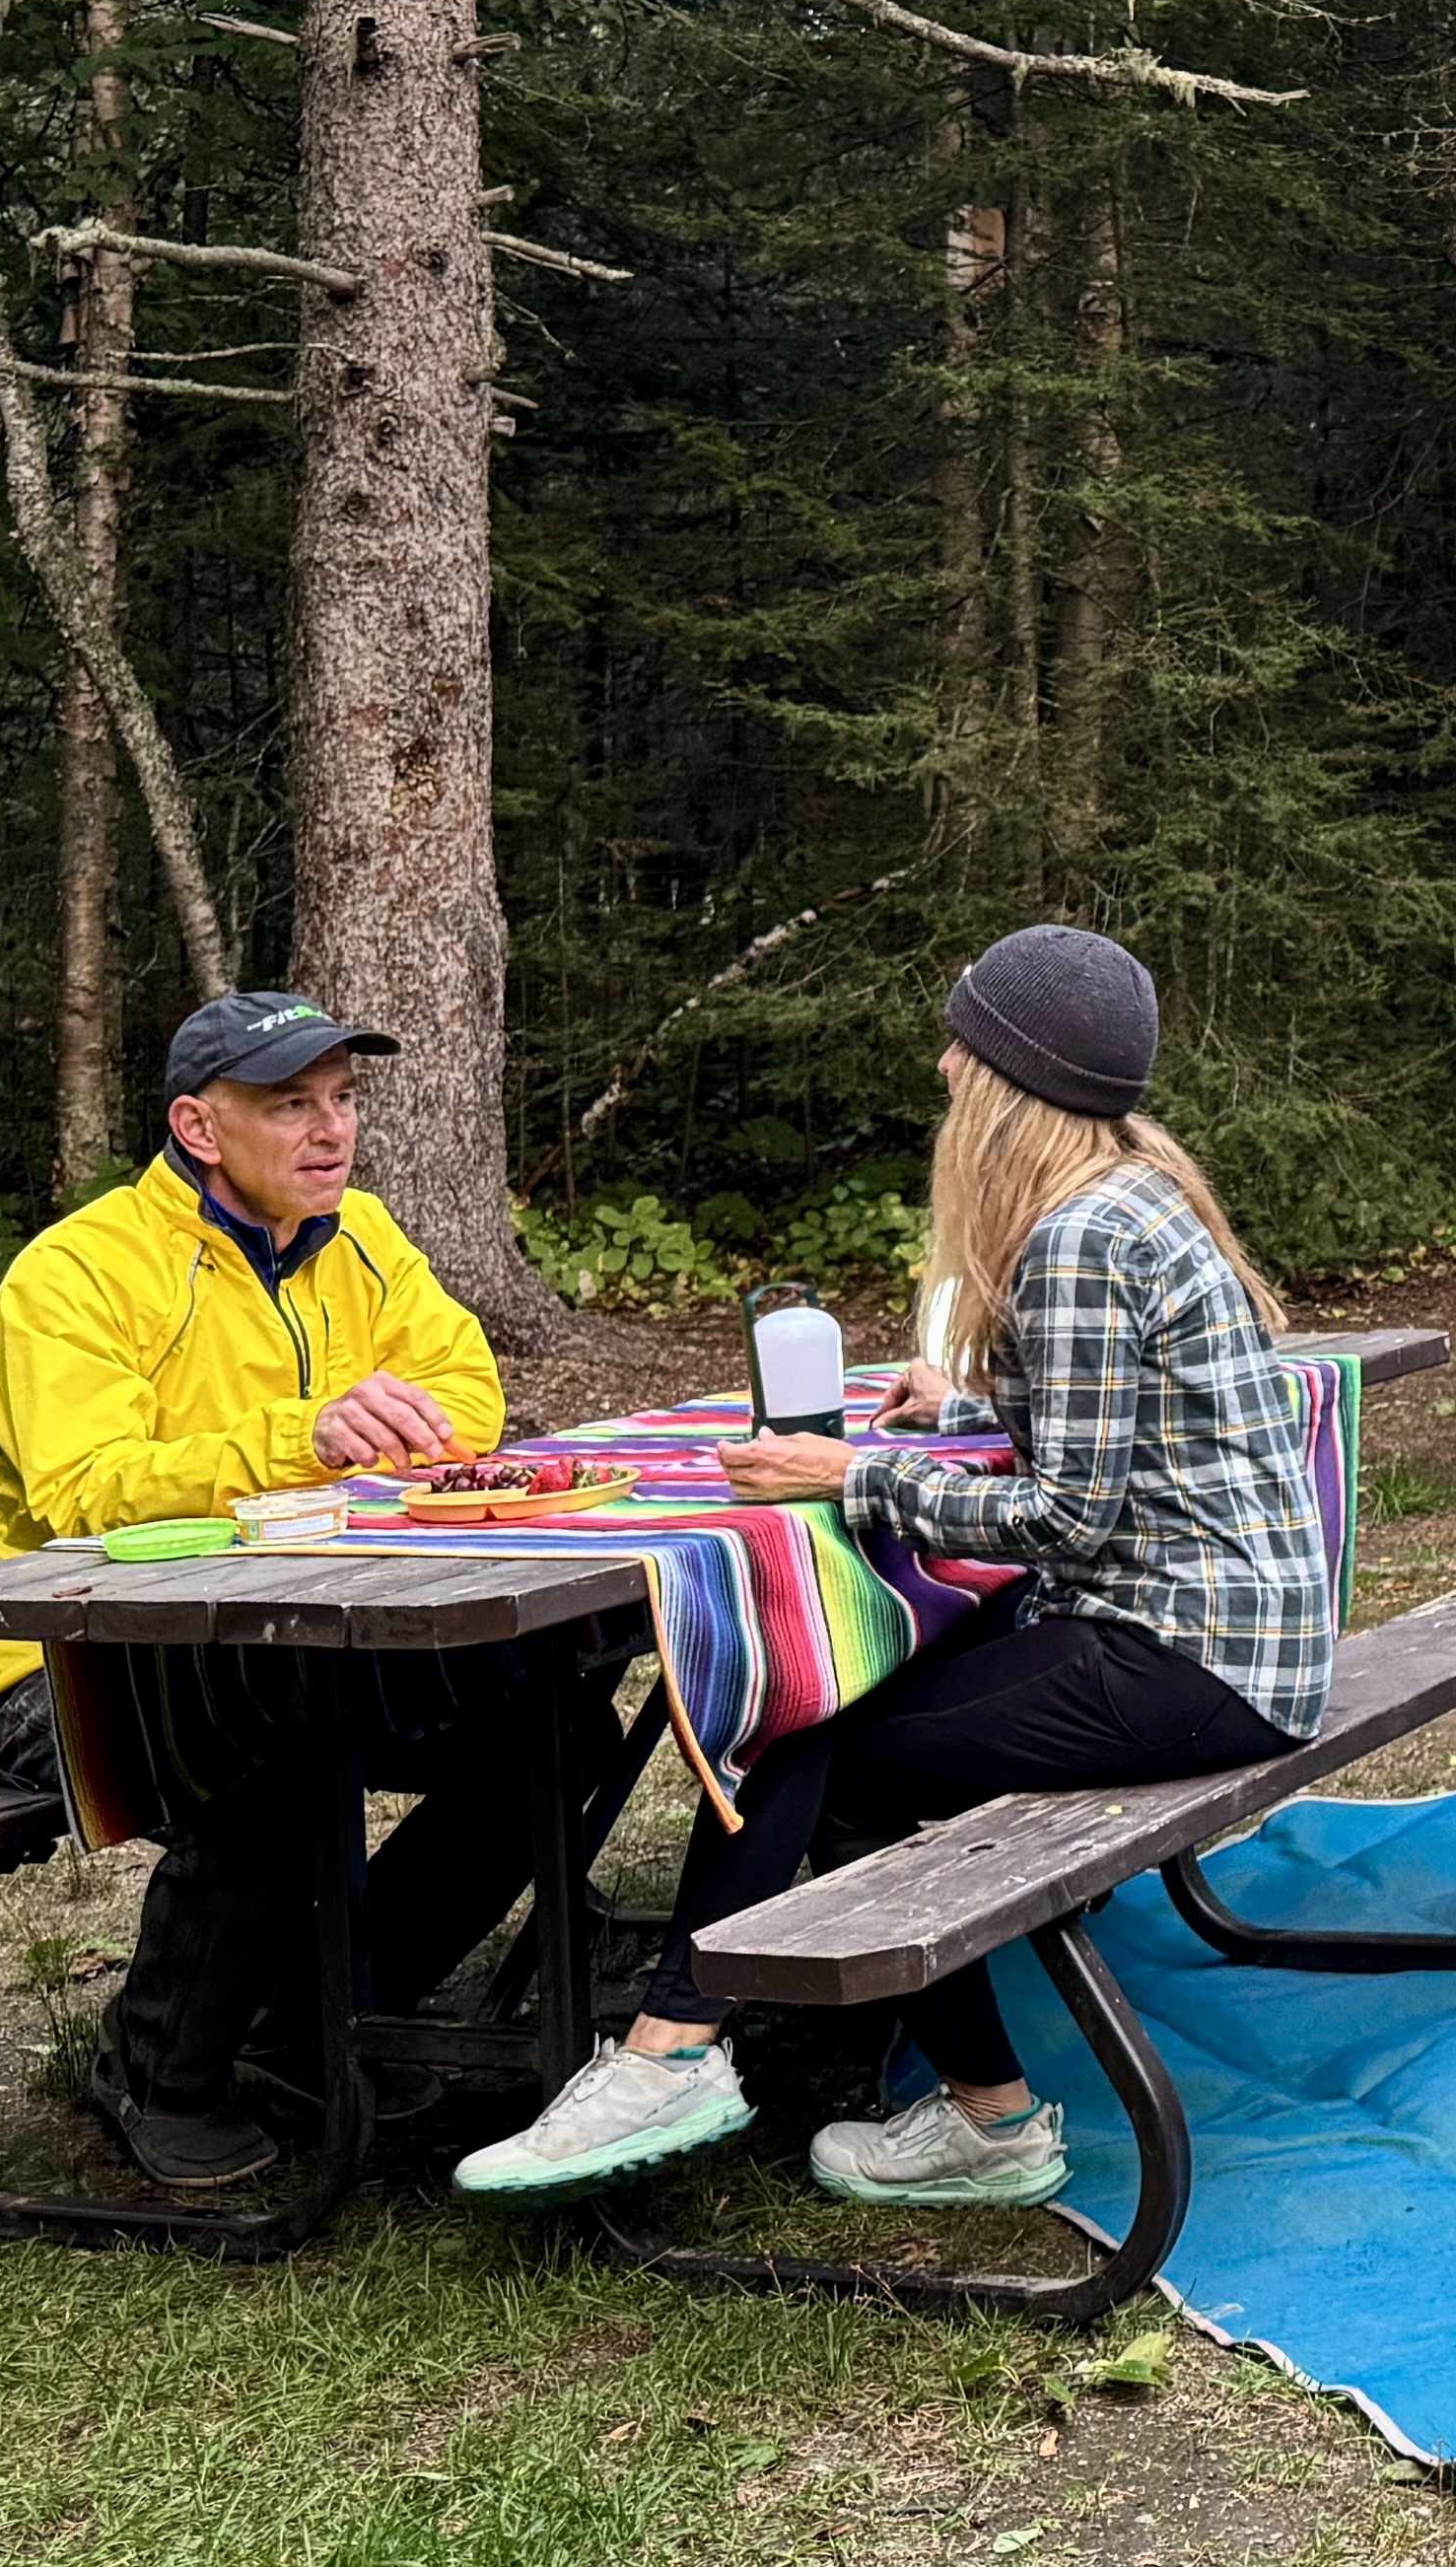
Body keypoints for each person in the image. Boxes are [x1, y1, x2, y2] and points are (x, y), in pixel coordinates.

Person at [455, 924, 1326, 2209]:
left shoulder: (1074, 1238)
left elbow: (1066, 1521)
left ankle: (866, 2094)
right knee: (823, 1697)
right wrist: (975, 1392)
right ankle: (690, 2043)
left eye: (965, 1048)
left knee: (813, 1730)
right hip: (1240, 1644)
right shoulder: (1137, 1189)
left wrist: (844, 1476)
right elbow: (1118, 1431)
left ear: (1015, 1084)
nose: (941, 1068)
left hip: (1184, 1660)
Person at [0, 989, 611, 2189]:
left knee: (552, 1723)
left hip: (313, 1635)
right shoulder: (78, 1273)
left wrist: (394, 1431)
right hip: (64, 1667)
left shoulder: (362, 1241)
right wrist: (308, 1436)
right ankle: (158, 2071)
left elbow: (465, 1394)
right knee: (262, 1745)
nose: (331, 1132)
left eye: (343, 1100)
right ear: (200, 1128)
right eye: (290, 1105)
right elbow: (85, 1489)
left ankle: (313, 2021)